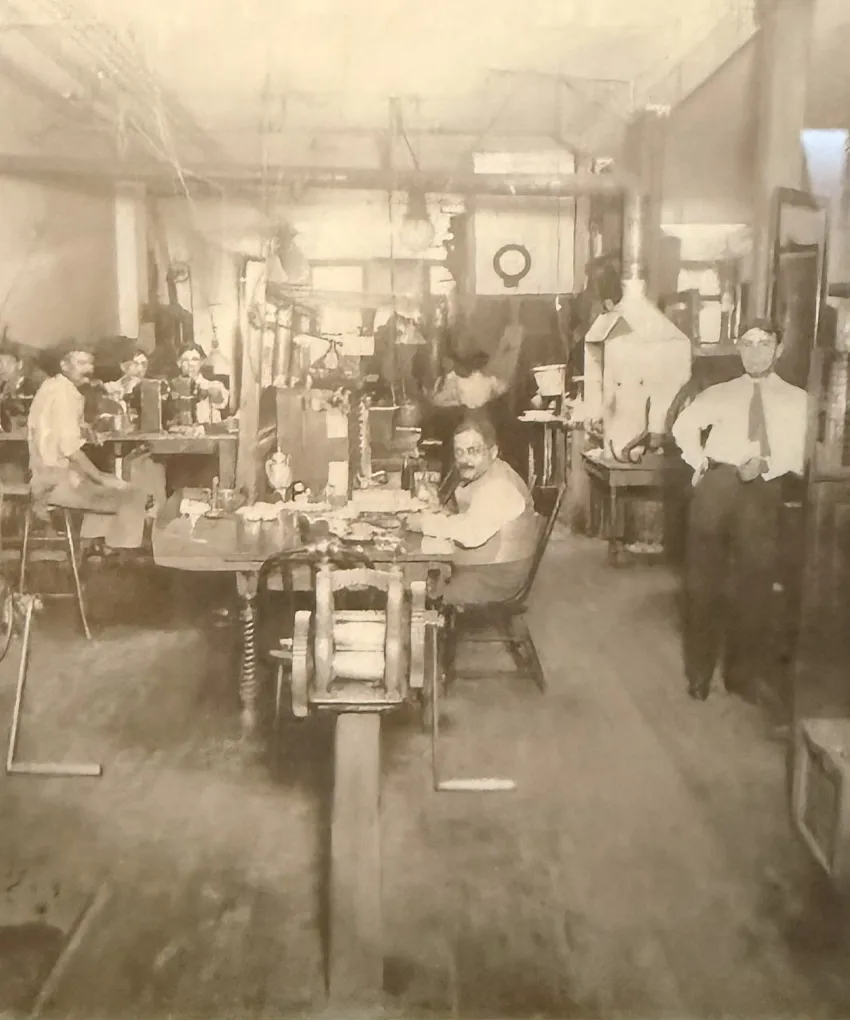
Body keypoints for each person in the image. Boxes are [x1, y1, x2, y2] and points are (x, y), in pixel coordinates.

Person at [671, 319, 808, 704]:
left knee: (755, 584)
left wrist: (767, 463)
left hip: (764, 489)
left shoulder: (798, 400)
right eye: (747, 344)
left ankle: (741, 674)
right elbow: (683, 428)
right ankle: (698, 674)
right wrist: (700, 461)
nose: (754, 352)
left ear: (779, 349)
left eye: (764, 344)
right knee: (702, 585)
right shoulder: (719, 393)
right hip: (717, 485)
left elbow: (801, 450)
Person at [407, 412, 540, 605]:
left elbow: (470, 534)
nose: (465, 459)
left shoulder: (500, 484)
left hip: (497, 577)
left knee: (415, 589)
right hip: (489, 563)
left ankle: (425, 623)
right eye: (459, 452)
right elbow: (473, 517)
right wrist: (441, 515)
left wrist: (423, 523)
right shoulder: (485, 473)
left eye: (473, 450)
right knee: (420, 568)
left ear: (493, 452)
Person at [27, 341, 147, 549]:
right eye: (81, 363)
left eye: (90, 364)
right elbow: (69, 449)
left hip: (44, 477)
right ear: (64, 365)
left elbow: (56, 431)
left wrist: (85, 429)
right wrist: (101, 477)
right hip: (56, 484)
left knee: (110, 485)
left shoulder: (53, 386)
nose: (88, 369)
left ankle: (93, 550)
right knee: (133, 493)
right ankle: (122, 557)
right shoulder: (63, 394)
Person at [169, 343, 229, 426]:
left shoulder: (213, 385)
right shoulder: (171, 386)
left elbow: (221, 399)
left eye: (195, 359)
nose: (190, 364)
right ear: (178, 363)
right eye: (185, 360)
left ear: (201, 362)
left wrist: (207, 391)